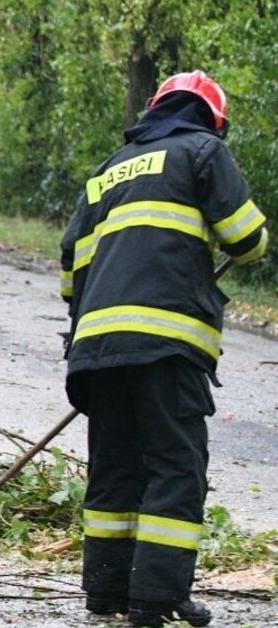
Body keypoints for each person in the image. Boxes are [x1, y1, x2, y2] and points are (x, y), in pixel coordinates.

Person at [60, 70, 269, 627]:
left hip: (98, 347)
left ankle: (105, 592)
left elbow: (69, 270)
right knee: (176, 466)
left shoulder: (105, 172)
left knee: (114, 467)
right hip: (167, 343)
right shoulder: (202, 151)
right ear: (211, 120)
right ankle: (156, 597)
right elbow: (246, 241)